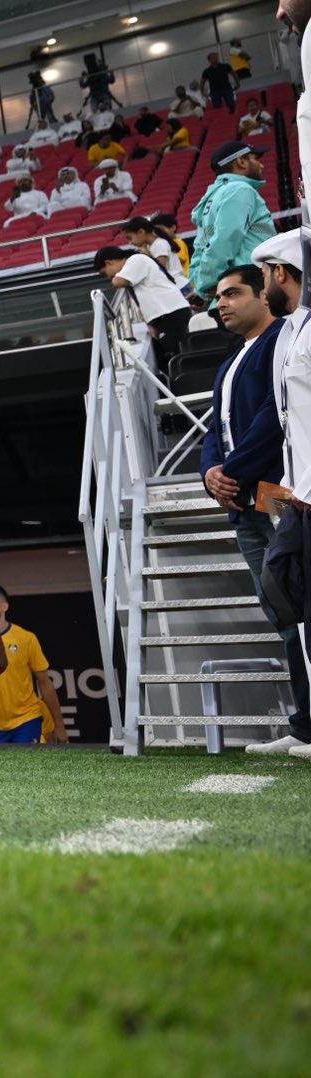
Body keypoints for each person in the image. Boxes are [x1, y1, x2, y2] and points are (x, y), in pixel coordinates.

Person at [248, 229, 311, 757]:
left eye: (265, 273)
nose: (262, 282)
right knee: (295, 603)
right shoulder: (291, 330)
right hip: (297, 495)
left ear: (282, 274)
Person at [201, 264, 284, 624]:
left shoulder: (284, 340)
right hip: (243, 506)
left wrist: (229, 475)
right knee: (280, 615)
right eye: (218, 297)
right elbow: (213, 429)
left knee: (298, 605)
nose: (221, 303)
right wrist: (209, 474)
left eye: (232, 293)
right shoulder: (230, 362)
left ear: (264, 295)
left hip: (279, 493)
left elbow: (274, 419)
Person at [0, 588, 68, 744]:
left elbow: (44, 681)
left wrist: (59, 724)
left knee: (28, 766)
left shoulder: (26, 638)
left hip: (26, 717)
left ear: (4, 606)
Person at [189, 140, 276, 303]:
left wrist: (200, 288)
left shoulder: (212, 198)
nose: (261, 165)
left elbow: (200, 249)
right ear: (241, 162)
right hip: (251, 291)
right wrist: (205, 285)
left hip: (227, 295)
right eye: (255, 158)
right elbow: (225, 239)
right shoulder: (239, 190)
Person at [96, 244, 194, 368]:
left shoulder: (136, 260)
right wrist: (151, 324)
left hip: (171, 313)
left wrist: (114, 278)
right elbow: (141, 299)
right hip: (166, 315)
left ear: (109, 262)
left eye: (105, 273)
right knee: (173, 358)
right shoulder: (136, 262)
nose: (109, 277)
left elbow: (118, 281)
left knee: (180, 357)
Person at [122, 216, 190, 294]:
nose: (130, 242)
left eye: (130, 238)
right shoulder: (151, 246)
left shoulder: (159, 244)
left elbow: (161, 269)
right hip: (175, 288)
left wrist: (147, 254)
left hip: (180, 287)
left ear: (141, 232)